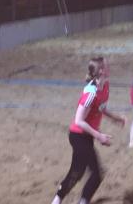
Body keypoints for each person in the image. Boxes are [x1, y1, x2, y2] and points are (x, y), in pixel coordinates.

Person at [51, 58, 126, 204]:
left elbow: (101, 108)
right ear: (101, 71)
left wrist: (116, 118)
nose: (110, 66)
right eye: (107, 65)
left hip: (86, 137)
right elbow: (79, 120)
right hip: (78, 136)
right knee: (96, 174)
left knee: (77, 173)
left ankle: (57, 200)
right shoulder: (91, 93)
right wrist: (99, 136)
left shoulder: (105, 86)